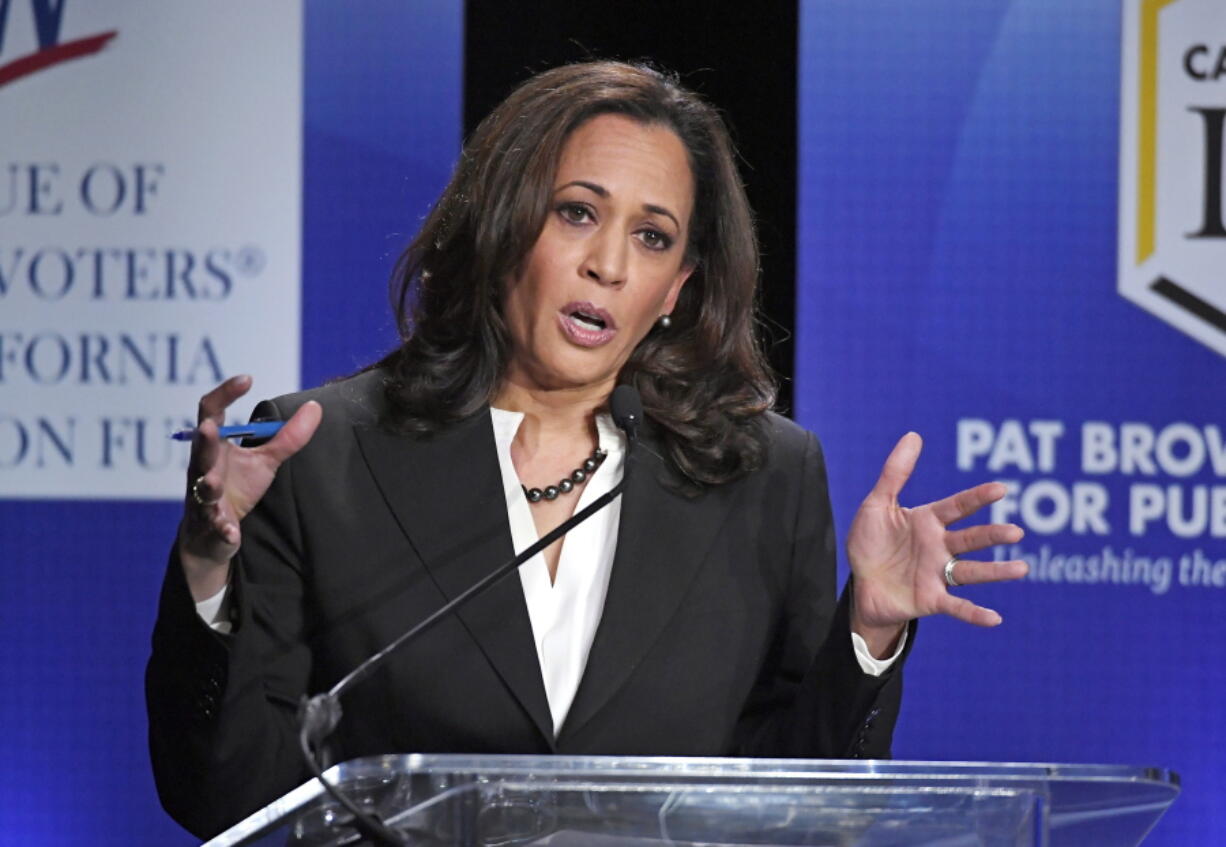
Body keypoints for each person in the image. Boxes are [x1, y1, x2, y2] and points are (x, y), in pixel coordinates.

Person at [146, 60, 1027, 839]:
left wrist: (869, 632)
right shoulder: (323, 452)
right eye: (577, 213)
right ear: (500, 224)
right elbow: (224, 800)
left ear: (677, 289)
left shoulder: (763, 476)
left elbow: (800, 808)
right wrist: (205, 566)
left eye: (652, 237)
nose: (608, 263)